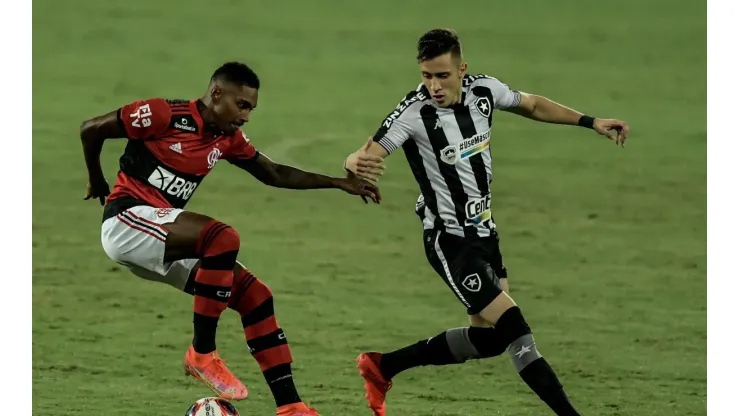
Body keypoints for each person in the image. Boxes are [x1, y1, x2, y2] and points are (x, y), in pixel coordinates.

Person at [343, 28, 629, 416]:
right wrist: (351, 163)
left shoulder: (484, 91)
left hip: (485, 235)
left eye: (442, 75)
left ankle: (383, 366)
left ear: (462, 69)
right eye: (426, 75)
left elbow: (531, 105)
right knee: (516, 331)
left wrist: (589, 121)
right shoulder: (413, 113)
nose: (433, 85)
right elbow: (367, 152)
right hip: (450, 242)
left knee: (490, 339)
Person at [81, 61, 380, 416]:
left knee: (256, 296)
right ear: (216, 93)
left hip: (166, 233)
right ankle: (202, 353)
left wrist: (336, 182)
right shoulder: (164, 115)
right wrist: (97, 179)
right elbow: (91, 129)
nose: (247, 116)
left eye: (251, 108)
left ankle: (292, 407)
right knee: (221, 237)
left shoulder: (226, 139)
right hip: (127, 222)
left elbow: (272, 172)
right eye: (242, 105)